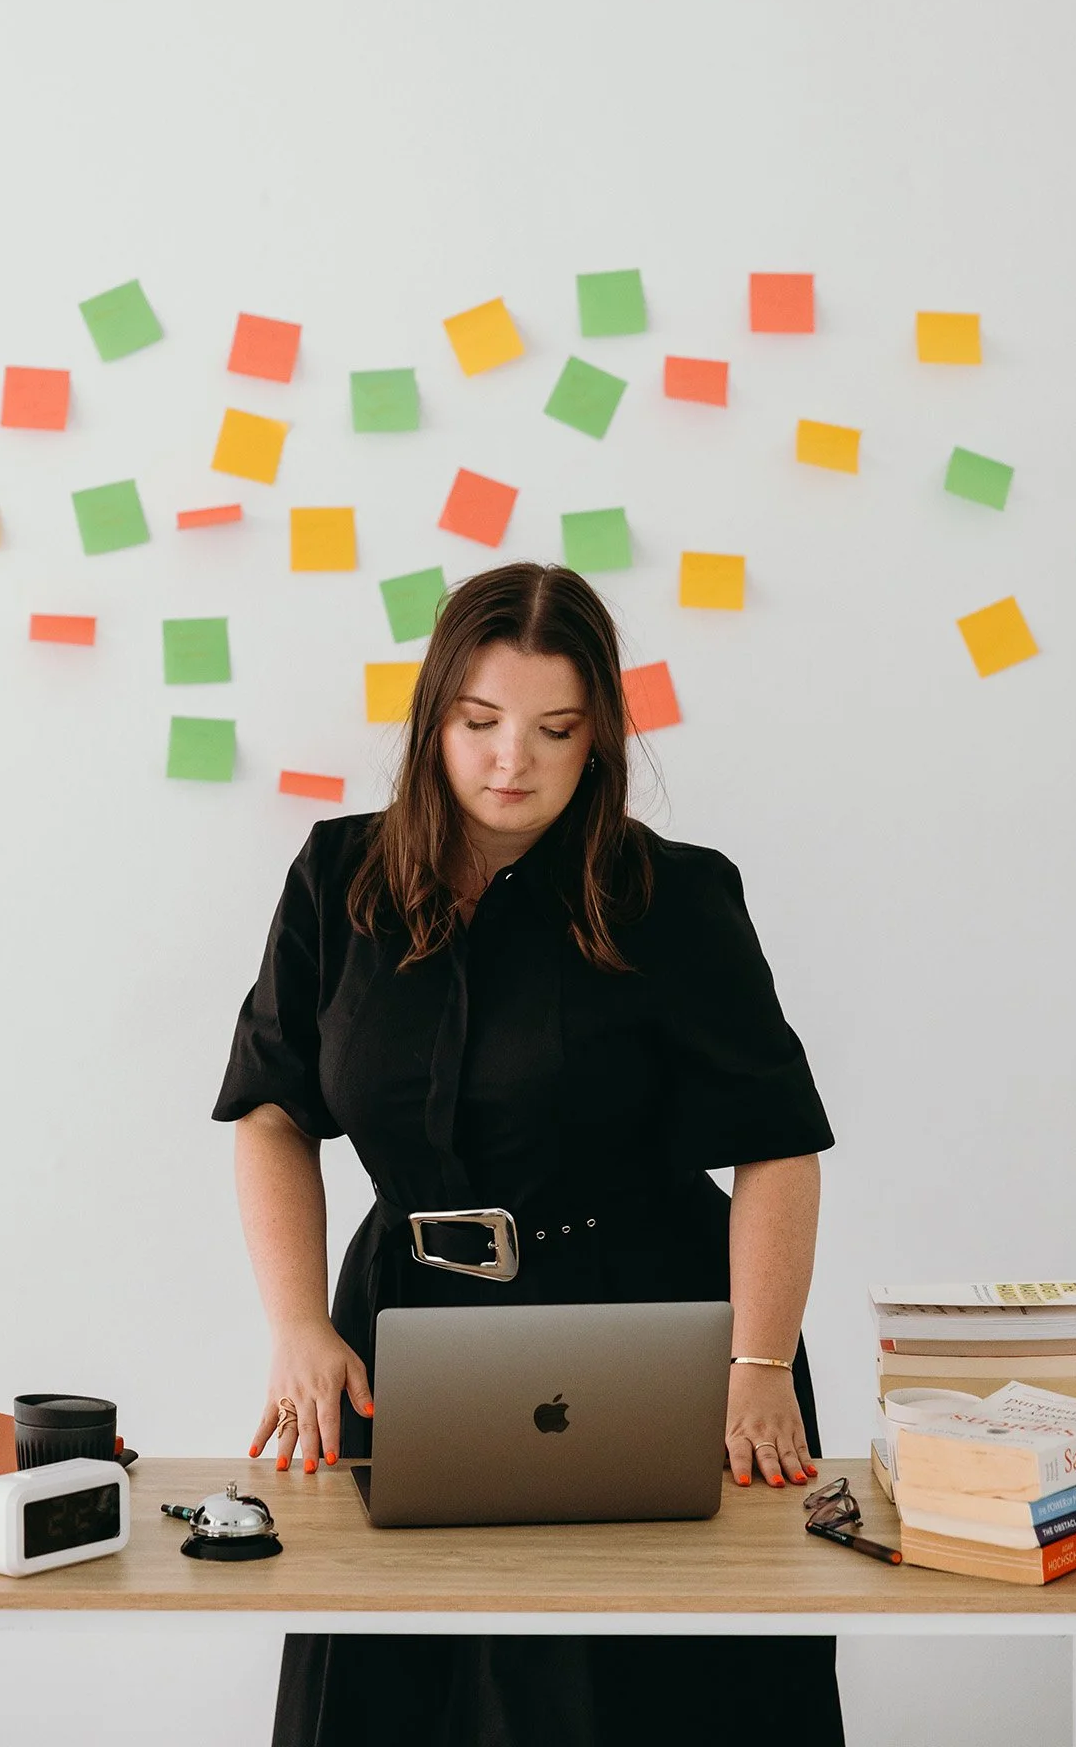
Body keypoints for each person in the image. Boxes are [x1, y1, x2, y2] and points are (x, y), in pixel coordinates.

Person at [212, 560, 843, 1747]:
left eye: (555, 728)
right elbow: (273, 1111)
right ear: (433, 716)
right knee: (396, 1687)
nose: (514, 760)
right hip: (402, 1332)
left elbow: (777, 1148)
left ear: (597, 731)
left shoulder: (675, 894)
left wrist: (755, 1361)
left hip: (649, 1334)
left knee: (635, 1702)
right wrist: (296, 1318)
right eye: (480, 721)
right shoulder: (336, 875)